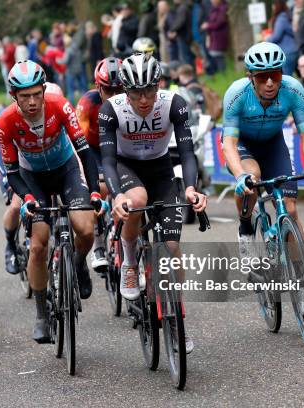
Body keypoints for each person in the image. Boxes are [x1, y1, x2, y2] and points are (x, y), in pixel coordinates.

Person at [98, 53, 208, 354]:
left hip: (160, 169)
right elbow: (106, 160)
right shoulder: (111, 110)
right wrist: (117, 193)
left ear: (159, 85)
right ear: (124, 90)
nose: (144, 99)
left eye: (150, 91)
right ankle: (130, 260)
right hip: (125, 167)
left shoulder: (174, 104)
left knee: (172, 249)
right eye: (135, 93)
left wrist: (190, 189)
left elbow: (186, 154)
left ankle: (176, 318)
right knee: (136, 200)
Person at [0, 60, 102, 343]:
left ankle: (78, 265)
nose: (31, 102)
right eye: (24, 96)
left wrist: (93, 190)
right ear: (13, 96)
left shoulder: (59, 104)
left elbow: (86, 152)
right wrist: (27, 197)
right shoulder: (5, 122)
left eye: (36, 94)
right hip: (33, 178)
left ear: (44, 90)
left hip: (65, 168)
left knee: (86, 229)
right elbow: (12, 172)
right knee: (39, 244)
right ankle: (42, 313)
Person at [221, 42, 304, 316]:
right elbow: (229, 144)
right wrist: (240, 175)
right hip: (243, 145)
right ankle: (246, 227)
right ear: (250, 77)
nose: (270, 82)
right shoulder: (236, 95)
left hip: (273, 145)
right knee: (252, 177)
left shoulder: (293, 89)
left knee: (291, 209)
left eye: (276, 75)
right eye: (262, 76)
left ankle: (302, 283)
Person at [76, 57, 123, 271]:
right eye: (108, 90)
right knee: (102, 188)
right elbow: (80, 145)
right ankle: (98, 243)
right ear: (98, 88)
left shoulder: (135, 100)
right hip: (94, 148)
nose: (114, 97)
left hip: (121, 146)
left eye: (119, 90)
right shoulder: (87, 104)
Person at [266, 0, 298, 75]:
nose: (272, 7)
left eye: (273, 4)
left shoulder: (281, 18)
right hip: (292, 51)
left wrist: (267, 39)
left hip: (287, 53)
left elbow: (276, 36)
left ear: (277, 6)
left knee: (285, 78)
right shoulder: (286, 16)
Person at [201, 0, 229, 74]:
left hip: (219, 36)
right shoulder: (214, 8)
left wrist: (208, 26)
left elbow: (220, 22)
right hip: (213, 36)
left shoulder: (223, 8)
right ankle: (219, 74)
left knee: (218, 56)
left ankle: (223, 74)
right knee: (214, 55)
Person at [168, 0, 194, 65]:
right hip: (186, 35)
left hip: (184, 36)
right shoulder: (185, 6)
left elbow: (180, 22)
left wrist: (172, 30)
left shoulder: (183, 8)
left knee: (185, 58)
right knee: (187, 56)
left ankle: (189, 74)